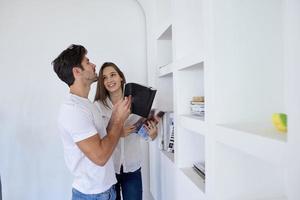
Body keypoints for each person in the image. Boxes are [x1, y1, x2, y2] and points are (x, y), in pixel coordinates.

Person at [52, 45, 131, 200]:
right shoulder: (73, 110)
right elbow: (100, 157)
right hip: (93, 195)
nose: (94, 65)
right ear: (77, 71)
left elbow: (103, 139)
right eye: (88, 62)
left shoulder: (86, 104)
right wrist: (119, 121)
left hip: (105, 190)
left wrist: (115, 116)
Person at [94, 62, 158, 200]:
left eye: (113, 75)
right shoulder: (98, 106)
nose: (110, 80)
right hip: (110, 170)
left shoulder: (137, 102)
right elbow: (96, 138)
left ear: (121, 77)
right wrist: (117, 133)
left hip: (132, 168)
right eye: (105, 78)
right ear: (102, 82)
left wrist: (153, 135)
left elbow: (144, 132)